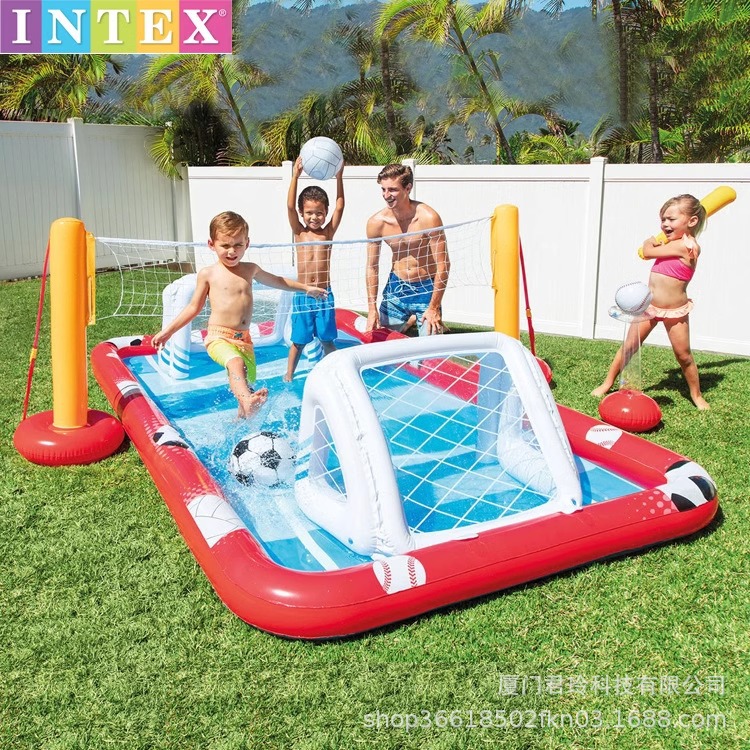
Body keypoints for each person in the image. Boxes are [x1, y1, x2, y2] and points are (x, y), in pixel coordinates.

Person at [152, 211, 328, 418]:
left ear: (247, 243)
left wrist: (305, 288)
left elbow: (278, 281)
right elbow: (193, 307)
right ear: (211, 244)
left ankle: (241, 420)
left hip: (244, 340)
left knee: (246, 386)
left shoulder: (250, 269)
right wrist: (168, 332)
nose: (232, 251)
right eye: (225, 245)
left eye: (238, 245)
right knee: (236, 364)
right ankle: (247, 401)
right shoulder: (209, 274)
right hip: (218, 337)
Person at [592, 194, 709, 410]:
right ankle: (607, 383)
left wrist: (649, 240)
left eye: (671, 219)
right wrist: (659, 241)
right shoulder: (671, 243)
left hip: (675, 311)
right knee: (629, 347)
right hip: (649, 307)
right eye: (663, 219)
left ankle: (697, 394)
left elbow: (647, 251)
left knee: (683, 355)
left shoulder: (686, 246)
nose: (665, 224)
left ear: (692, 221)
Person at [365, 163, 450, 336]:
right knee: (382, 342)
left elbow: (444, 265)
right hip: (397, 288)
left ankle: (415, 320)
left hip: (426, 289)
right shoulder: (377, 223)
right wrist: (372, 308)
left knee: (431, 348)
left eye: (392, 190)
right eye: (383, 189)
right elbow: (372, 267)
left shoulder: (428, 218)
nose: (386, 195)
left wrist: (434, 307)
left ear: (408, 188)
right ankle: (408, 321)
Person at [284, 157, 345, 381]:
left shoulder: (327, 233)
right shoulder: (299, 232)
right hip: (303, 295)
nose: (314, 217)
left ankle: (338, 373)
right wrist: (295, 176)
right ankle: (288, 375)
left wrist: (339, 177)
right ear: (302, 213)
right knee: (298, 342)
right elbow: (290, 206)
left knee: (327, 340)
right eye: (309, 212)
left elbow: (340, 206)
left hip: (324, 295)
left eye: (319, 212)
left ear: (325, 212)